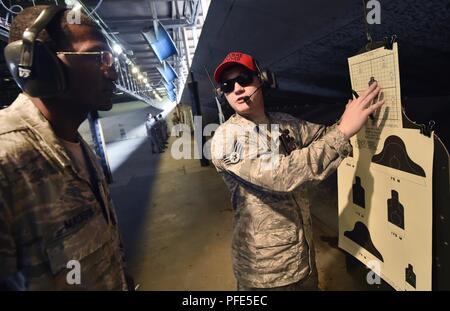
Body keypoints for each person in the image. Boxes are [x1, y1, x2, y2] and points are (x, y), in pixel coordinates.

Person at [210, 52, 384, 290]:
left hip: (302, 260)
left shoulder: (283, 123)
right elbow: (282, 176)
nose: (237, 88)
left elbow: (324, 135)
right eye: (228, 86)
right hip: (266, 273)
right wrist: (343, 131)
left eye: (244, 79)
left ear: (262, 79)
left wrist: (353, 116)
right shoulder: (227, 138)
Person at [0, 5, 132, 290]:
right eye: (98, 56)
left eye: (110, 58)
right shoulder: (7, 163)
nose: (112, 72)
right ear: (42, 66)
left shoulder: (81, 150)